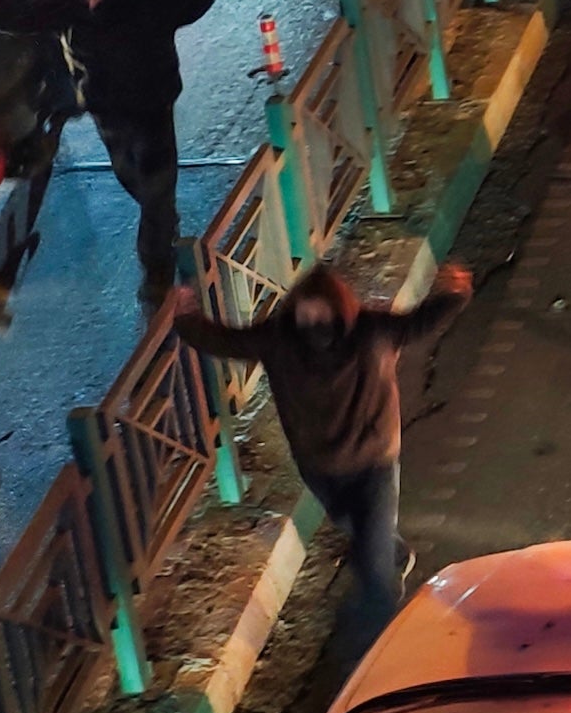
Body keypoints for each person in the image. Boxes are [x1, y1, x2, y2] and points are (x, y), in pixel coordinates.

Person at [170, 260, 470, 660]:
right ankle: (394, 552)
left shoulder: (372, 334)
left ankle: (371, 661)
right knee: (351, 526)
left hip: (373, 464)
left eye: (321, 311)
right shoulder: (278, 342)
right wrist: (186, 317)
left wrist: (454, 292)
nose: (313, 320)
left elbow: (420, 323)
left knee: (374, 577)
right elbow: (223, 341)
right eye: (305, 312)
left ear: (341, 309)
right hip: (319, 466)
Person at [62, 0, 216, 302]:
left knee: (155, 194)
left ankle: (157, 275)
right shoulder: (74, 14)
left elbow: (194, 1)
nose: (92, 3)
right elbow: (24, 17)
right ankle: (162, 225)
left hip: (151, 115)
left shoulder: (148, 6)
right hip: (110, 118)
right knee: (134, 181)